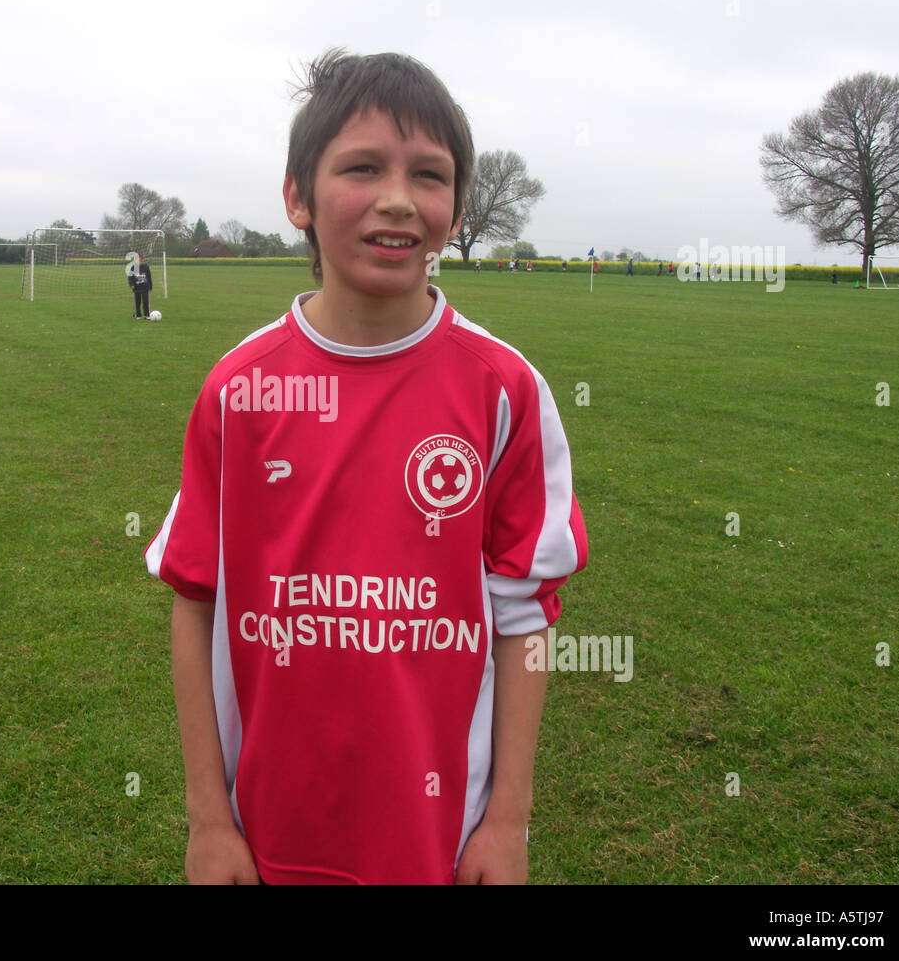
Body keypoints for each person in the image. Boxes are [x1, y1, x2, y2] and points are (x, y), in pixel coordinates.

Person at [146, 49, 588, 885]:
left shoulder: (505, 391)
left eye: (429, 174)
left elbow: (525, 617)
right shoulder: (240, 388)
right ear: (297, 196)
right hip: (267, 830)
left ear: (456, 208)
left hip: (440, 843)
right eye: (362, 167)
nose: (397, 198)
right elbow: (194, 598)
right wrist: (208, 820)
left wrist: (508, 821)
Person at [127, 250, 152, 319]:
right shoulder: (133, 267)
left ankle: (147, 315)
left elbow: (149, 277)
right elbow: (130, 278)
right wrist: (131, 284)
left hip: (145, 288)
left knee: (146, 302)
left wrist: (150, 287)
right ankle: (137, 315)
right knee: (137, 303)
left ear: (143, 260)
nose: (140, 261)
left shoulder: (146, 267)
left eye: (141, 260)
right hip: (136, 288)